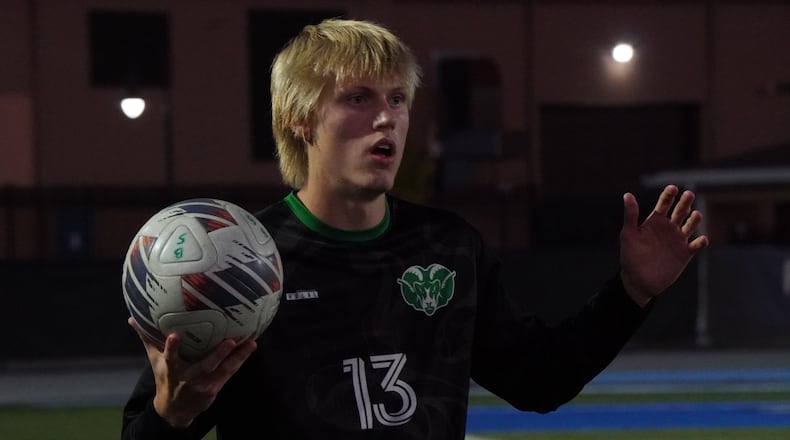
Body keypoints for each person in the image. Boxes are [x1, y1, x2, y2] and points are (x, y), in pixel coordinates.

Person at [121, 18, 709, 439]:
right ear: (301, 118)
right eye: (358, 97)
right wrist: (173, 416)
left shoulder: (449, 247)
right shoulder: (242, 264)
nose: (387, 117)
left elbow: (539, 381)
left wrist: (632, 293)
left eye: (398, 99)